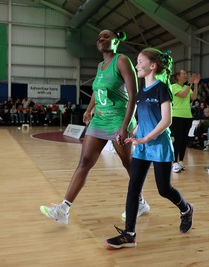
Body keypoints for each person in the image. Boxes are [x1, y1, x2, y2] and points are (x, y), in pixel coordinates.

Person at [40, 29, 149, 225]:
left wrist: (125, 126)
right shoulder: (100, 66)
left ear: (116, 41)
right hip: (99, 119)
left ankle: (140, 202)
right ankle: (63, 209)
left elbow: (133, 95)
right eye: (99, 37)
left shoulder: (122, 60)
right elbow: (97, 91)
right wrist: (89, 109)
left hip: (118, 119)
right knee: (85, 161)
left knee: (128, 163)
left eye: (106, 36)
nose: (101, 39)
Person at [106, 48, 194, 249]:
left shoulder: (162, 88)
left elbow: (166, 120)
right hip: (143, 146)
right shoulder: (140, 93)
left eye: (139, 62)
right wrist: (132, 133)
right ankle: (129, 234)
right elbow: (142, 121)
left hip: (159, 146)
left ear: (152, 66)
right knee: (133, 187)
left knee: (164, 190)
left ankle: (186, 209)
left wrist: (144, 138)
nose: (136, 65)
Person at [170, 70, 200, 173]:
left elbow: (194, 97)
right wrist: (190, 84)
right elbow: (182, 95)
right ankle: (174, 162)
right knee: (177, 140)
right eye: (183, 74)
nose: (186, 75)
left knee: (184, 140)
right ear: (178, 76)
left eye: (186, 74)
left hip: (187, 116)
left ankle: (181, 161)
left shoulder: (187, 87)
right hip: (176, 116)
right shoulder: (173, 86)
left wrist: (195, 85)